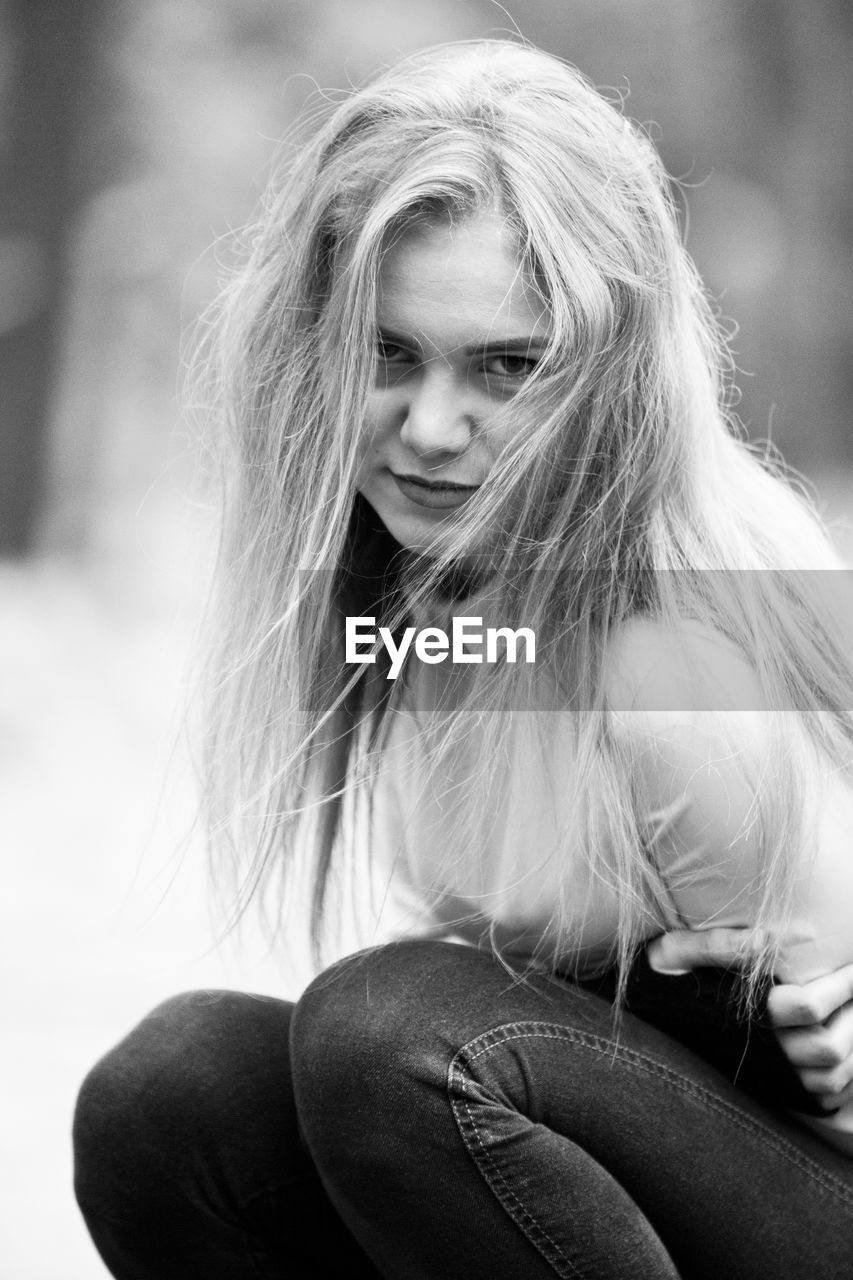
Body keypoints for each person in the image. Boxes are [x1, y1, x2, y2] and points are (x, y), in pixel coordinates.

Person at [73, 40, 853, 1279]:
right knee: (173, 1091)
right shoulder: (435, 617)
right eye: (389, 352)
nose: (429, 430)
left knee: (396, 1033)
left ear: (606, 380)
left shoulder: (671, 671)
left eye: (507, 364)